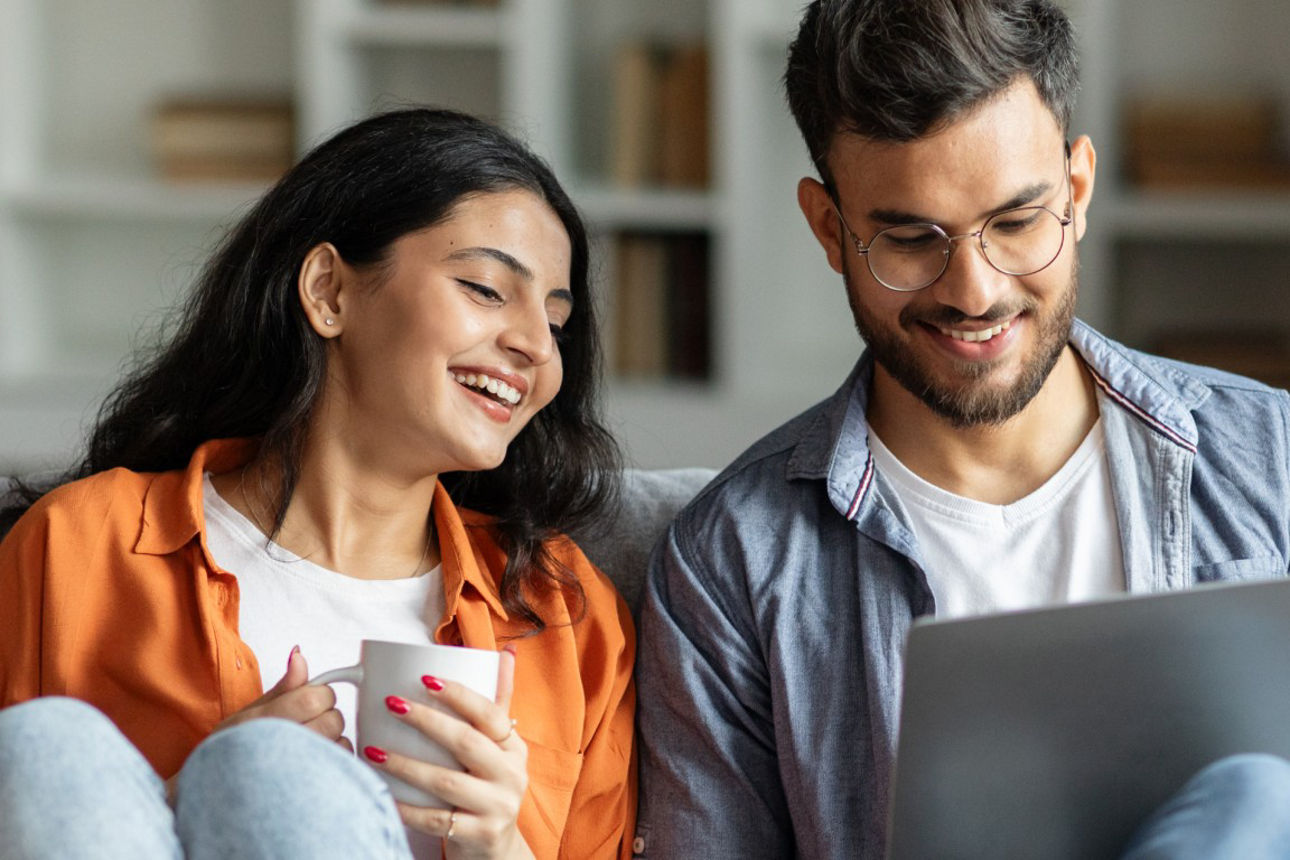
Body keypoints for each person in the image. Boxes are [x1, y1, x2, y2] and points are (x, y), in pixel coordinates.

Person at [634, 1, 1290, 858]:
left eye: (1016, 224)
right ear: (831, 230)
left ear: (1078, 191)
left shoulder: (1272, 458)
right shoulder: (731, 566)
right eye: (910, 238)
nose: (974, 292)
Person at [0, 107, 634, 860]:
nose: (535, 347)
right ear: (329, 291)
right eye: (487, 289)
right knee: (57, 746)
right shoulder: (81, 545)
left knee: (266, 774)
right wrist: (178, 801)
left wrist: (502, 848)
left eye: (557, 324)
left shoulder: (566, 613)